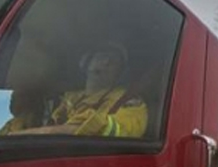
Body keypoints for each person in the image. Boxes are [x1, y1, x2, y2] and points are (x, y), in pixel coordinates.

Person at [14, 42, 147, 137]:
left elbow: (124, 130)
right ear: (86, 62)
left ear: (120, 74)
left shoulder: (128, 100)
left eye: (113, 61)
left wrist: (48, 132)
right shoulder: (62, 99)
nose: (106, 63)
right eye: (101, 56)